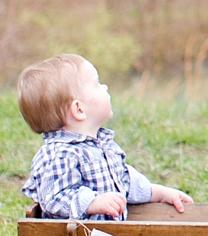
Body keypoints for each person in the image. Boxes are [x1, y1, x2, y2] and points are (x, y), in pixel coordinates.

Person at [18, 53, 193, 220]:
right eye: (97, 84)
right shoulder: (59, 154)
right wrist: (92, 202)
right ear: (79, 109)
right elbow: (55, 197)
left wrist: (160, 193)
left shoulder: (102, 145)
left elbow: (124, 181)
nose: (105, 87)